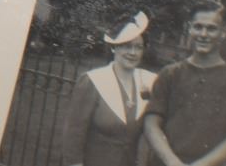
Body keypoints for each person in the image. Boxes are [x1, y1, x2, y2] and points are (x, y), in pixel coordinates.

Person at [143, 4, 226, 166]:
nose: (203, 34)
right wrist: (172, 161)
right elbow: (151, 123)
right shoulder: (170, 74)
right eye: (198, 27)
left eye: (211, 29)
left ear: (223, 33)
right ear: (189, 29)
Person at [58, 11, 157, 166]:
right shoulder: (93, 81)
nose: (132, 53)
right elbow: (74, 134)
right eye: (126, 46)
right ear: (113, 47)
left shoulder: (148, 81)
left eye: (138, 47)